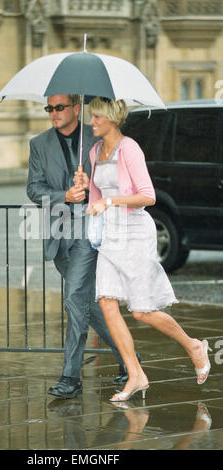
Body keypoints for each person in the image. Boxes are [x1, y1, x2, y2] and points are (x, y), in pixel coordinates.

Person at [75, 96, 212, 402]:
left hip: (135, 233)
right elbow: (95, 198)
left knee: (141, 311)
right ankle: (136, 373)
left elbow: (148, 196)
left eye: (96, 117)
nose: (92, 122)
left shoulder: (130, 148)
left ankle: (193, 346)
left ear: (111, 118)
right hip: (110, 235)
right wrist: (85, 186)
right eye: (92, 116)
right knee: (107, 303)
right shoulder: (96, 151)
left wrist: (109, 201)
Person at [27, 94, 140, 399]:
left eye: (59, 107)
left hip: (91, 232)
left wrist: (91, 186)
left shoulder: (97, 134)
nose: (53, 113)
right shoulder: (38, 144)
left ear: (76, 108)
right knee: (89, 304)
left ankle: (70, 377)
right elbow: (34, 190)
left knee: (75, 298)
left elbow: (118, 180)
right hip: (60, 235)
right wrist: (65, 194)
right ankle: (131, 361)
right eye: (49, 108)